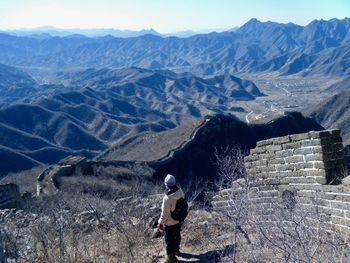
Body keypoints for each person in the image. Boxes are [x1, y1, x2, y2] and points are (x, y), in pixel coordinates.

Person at [157, 174, 185, 263]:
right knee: (177, 236)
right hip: (178, 219)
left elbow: (165, 213)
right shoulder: (180, 191)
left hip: (169, 222)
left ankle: (171, 257)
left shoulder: (167, 198)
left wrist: (160, 223)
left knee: (169, 240)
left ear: (166, 184)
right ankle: (177, 250)